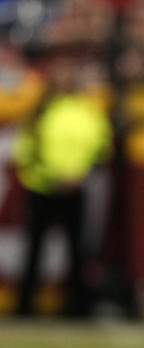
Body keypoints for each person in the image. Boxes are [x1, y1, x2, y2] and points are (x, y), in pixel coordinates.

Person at [11, 54, 112, 318]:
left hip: (76, 188)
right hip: (42, 187)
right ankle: (24, 306)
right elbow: (28, 150)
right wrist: (52, 176)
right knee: (34, 248)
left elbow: (100, 146)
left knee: (78, 249)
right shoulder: (40, 111)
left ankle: (77, 308)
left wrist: (80, 175)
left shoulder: (87, 110)